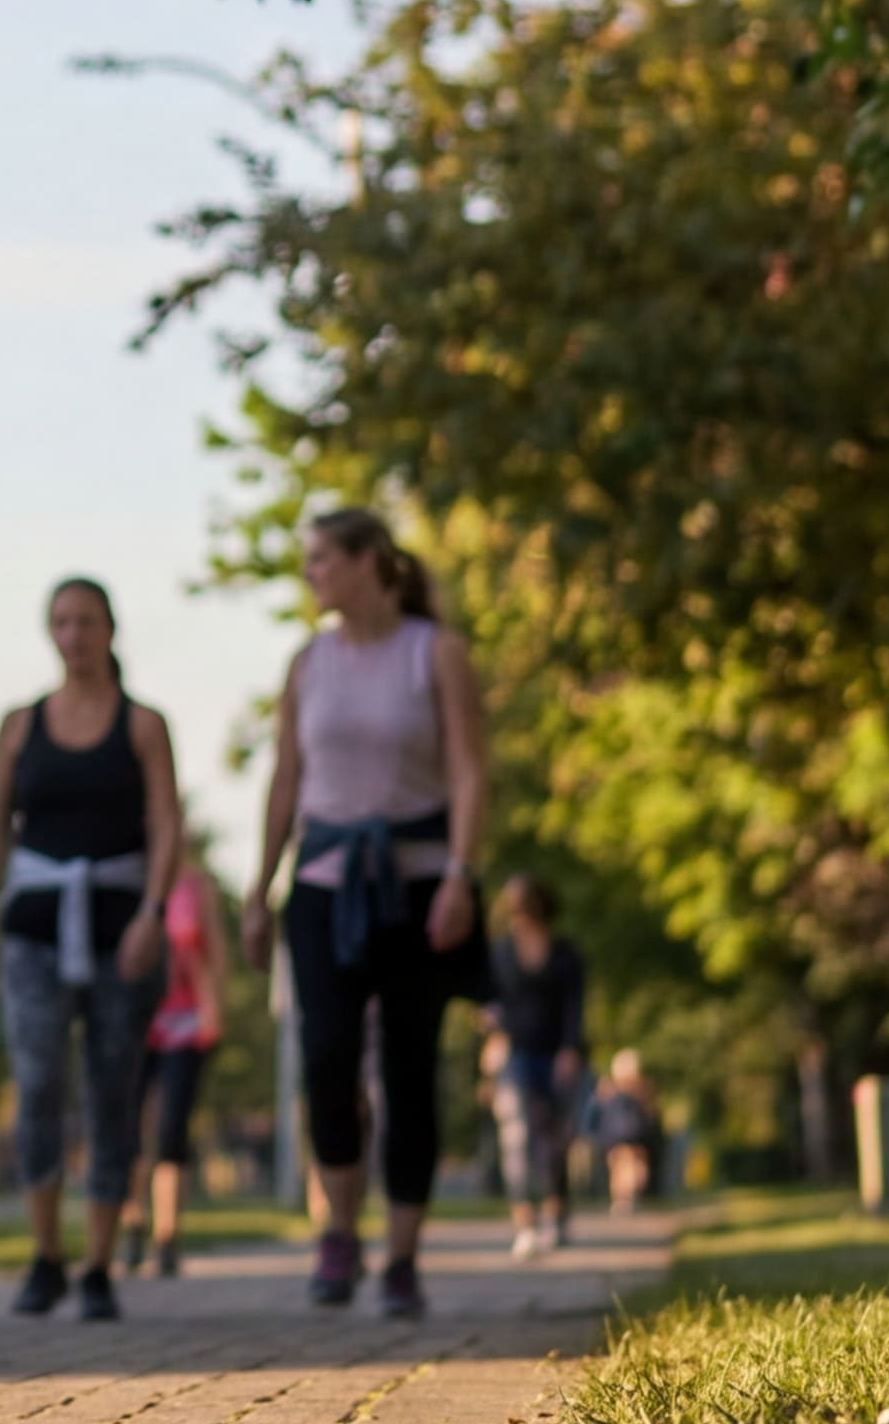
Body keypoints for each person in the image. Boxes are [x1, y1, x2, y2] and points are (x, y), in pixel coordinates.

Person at [248, 505, 490, 1323]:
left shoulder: (437, 653)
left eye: (320, 558)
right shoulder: (306, 663)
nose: (310, 572)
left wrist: (461, 875)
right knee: (326, 1060)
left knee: (410, 1071)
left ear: (366, 562)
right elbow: (285, 779)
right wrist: (259, 884)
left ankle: (404, 1257)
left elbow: (469, 774)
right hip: (320, 886)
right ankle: (340, 1232)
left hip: (416, 887)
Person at [0, 576, 185, 1321]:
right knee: (40, 1079)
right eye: (61, 622)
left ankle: (98, 1266)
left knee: (112, 1092)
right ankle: (45, 1254)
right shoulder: (20, 726)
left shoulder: (143, 725)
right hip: (33, 931)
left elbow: (167, 825)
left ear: (110, 631)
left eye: (86, 621)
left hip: (123, 934)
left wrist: (155, 912)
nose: (74, 634)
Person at [482, 873, 589, 1254]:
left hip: (557, 1055)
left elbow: (575, 1006)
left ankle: (557, 1212)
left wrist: (570, 1048)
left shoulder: (565, 954)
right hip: (516, 1054)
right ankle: (524, 1221)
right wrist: (492, 1038)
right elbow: (490, 1003)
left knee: (557, 1140)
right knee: (517, 1136)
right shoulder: (500, 954)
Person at [135, 863, 229, 1278]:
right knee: (129, 1128)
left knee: (172, 1126)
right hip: (136, 1022)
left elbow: (217, 951)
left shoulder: (197, 885)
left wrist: (216, 1005)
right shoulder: (130, 874)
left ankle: (167, 1235)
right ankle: (132, 1221)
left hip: (187, 1023)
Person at [589, 1048, 668, 1211]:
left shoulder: (638, 1090)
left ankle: (627, 1197)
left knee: (630, 1168)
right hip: (619, 1138)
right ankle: (624, 1198)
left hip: (632, 1137)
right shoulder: (610, 1090)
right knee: (621, 1169)